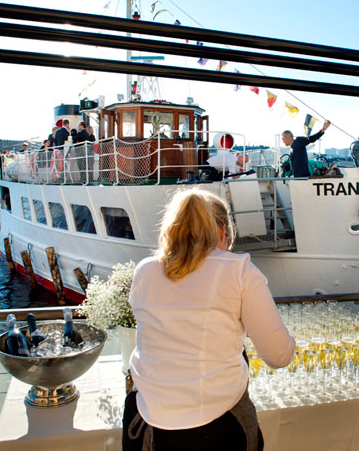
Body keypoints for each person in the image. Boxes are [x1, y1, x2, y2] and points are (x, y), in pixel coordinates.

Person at [124, 189, 295, 451]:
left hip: (150, 427)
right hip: (218, 429)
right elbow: (279, 356)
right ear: (222, 231)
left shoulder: (145, 270)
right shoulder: (238, 270)